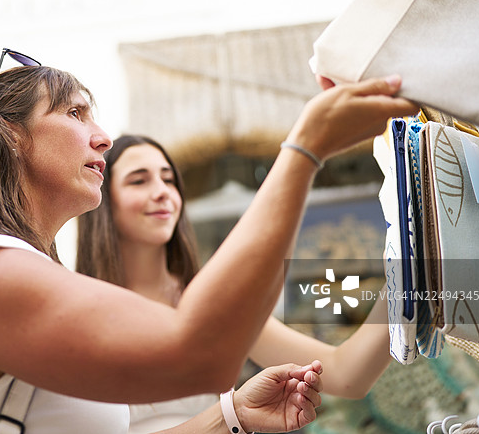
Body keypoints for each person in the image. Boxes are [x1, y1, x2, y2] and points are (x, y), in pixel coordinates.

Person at [0, 48, 417, 434]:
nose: (101, 136)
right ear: (8, 134)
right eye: (75, 113)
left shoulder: (13, 269)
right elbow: (202, 354)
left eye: (170, 180)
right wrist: (305, 149)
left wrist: (230, 416)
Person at [76, 133, 393, 433]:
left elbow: (347, 374)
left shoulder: (210, 301)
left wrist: (404, 280)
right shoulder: (78, 313)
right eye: (139, 180)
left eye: (169, 179)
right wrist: (232, 414)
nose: (162, 191)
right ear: (103, 198)